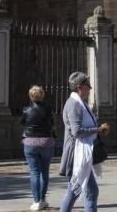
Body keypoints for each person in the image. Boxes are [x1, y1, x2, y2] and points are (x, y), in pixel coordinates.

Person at [60, 71, 111, 212]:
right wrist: (97, 130)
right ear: (80, 86)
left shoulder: (81, 103)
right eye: (88, 84)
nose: (90, 88)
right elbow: (76, 131)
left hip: (83, 153)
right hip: (77, 154)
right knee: (87, 191)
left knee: (77, 191)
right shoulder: (74, 104)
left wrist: (98, 130)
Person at [22, 85, 56, 211]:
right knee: (44, 171)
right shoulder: (48, 109)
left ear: (31, 96)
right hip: (46, 141)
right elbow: (52, 123)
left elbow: (23, 122)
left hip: (30, 142)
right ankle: (42, 199)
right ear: (42, 95)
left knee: (34, 172)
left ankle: (36, 201)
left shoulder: (26, 109)